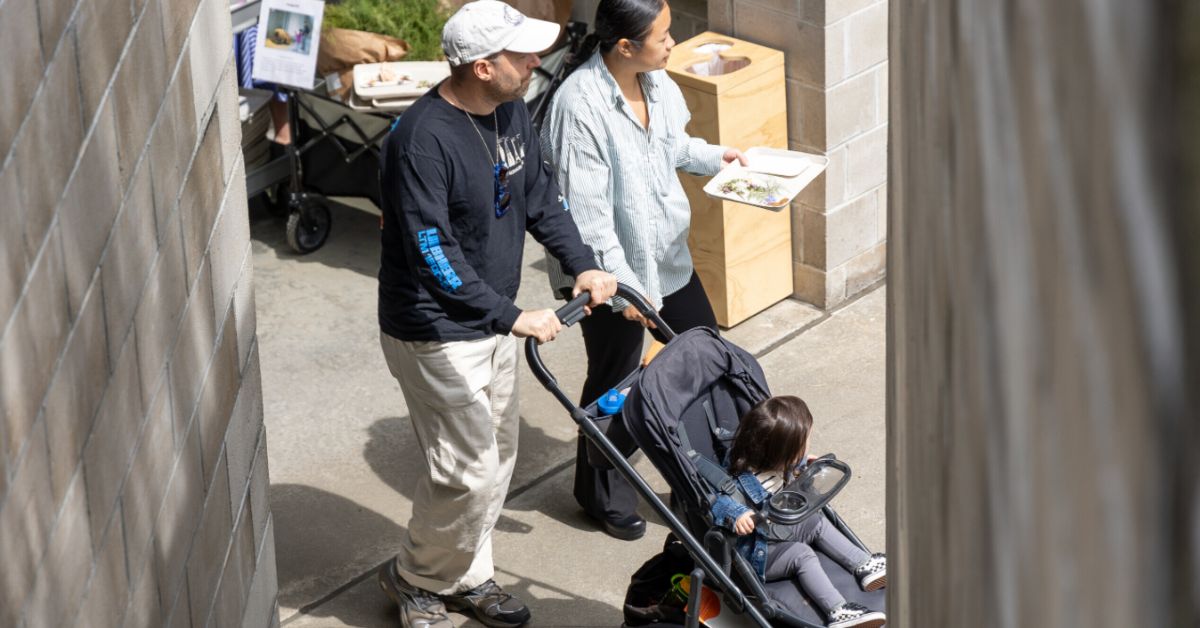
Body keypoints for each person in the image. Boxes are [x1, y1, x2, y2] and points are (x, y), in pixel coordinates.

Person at [375, 2, 618, 627]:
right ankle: (416, 579)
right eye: (521, 55)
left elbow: (542, 197)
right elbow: (434, 255)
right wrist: (512, 315)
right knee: (467, 470)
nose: (536, 61)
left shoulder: (511, 111)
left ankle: (467, 576)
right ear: (482, 67)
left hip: (494, 321)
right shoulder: (421, 142)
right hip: (435, 330)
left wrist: (582, 264)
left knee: (496, 459)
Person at [538, 0, 747, 541]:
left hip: (668, 260)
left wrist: (719, 158)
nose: (674, 42)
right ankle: (598, 493)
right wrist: (623, 290)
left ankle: (698, 483)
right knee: (616, 385)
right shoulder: (578, 106)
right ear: (624, 46)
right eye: (664, 35)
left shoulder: (657, 82)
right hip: (612, 279)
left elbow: (673, 144)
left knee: (707, 364)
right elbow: (586, 217)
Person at [710, 396, 888, 628]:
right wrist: (738, 516)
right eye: (802, 446)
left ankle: (863, 565)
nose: (806, 448)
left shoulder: (778, 463)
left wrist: (803, 468)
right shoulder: (741, 481)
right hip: (761, 552)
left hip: (779, 529)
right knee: (801, 554)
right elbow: (719, 503)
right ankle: (838, 611)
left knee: (816, 522)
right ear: (782, 454)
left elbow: (786, 482)